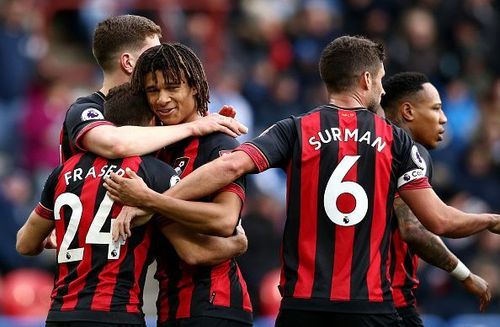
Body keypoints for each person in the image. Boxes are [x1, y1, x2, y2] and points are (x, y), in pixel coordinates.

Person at [104, 36, 500, 327]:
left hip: (302, 307)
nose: (382, 88)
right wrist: (489, 220)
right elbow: (440, 222)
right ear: (365, 79)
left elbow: (228, 168)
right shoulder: (395, 140)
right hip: (370, 306)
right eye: (379, 80)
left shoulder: (294, 129)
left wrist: (152, 200)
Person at [16, 83, 248, 327]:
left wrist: (62, 236)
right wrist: (237, 243)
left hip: (60, 315)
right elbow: (194, 252)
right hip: (117, 312)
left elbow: (25, 244)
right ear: (149, 124)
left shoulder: (62, 172)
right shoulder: (152, 173)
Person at [115, 43, 253, 327]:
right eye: (153, 91)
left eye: (172, 87)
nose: (162, 99)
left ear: (194, 87)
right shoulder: (154, 149)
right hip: (170, 305)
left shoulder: (219, 142)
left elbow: (225, 220)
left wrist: (150, 201)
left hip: (216, 304)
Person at [381, 72, 491, 327]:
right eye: (436, 109)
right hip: (389, 301)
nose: (444, 119)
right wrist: (490, 221)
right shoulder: (409, 150)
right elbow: (415, 229)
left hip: (340, 295)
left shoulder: (362, 146)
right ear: (408, 111)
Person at [60, 14, 246, 163]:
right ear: (128, 62)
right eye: (152, 52)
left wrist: (207, 138)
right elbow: (115, 144)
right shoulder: (85, 110)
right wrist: (194, 127)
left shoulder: (155, 111)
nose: (161, 59)